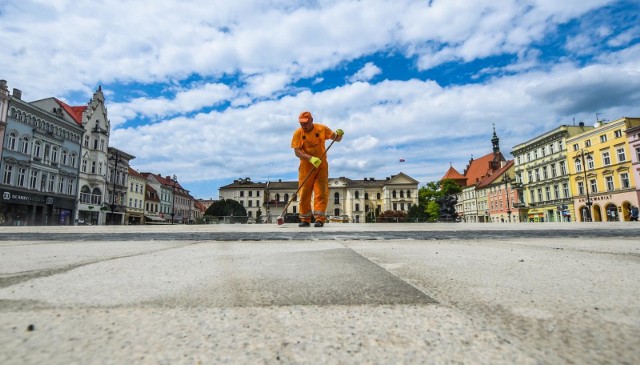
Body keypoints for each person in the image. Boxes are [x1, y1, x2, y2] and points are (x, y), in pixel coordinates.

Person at [291, 111, 343, 227]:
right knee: (304, 192)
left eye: (305, 123)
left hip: (321, 165)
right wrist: (310, 158)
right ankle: (305, 219)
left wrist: (340, 134)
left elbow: (336, 139)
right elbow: (297, 152)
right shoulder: (298, 133)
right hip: (306, 165)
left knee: (321, 191)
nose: (303, 125)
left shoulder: (321, 129)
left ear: (311, 120)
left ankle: (320, 218)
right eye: (301, 123)